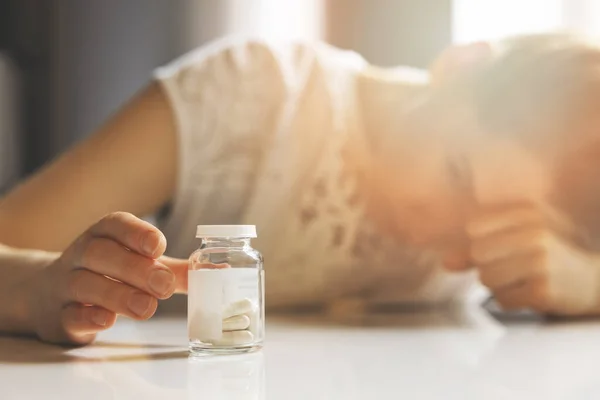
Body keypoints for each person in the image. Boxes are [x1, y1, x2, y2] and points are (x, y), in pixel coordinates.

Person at [0, 33, 599, 346]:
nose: (450, 258)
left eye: (487, 242)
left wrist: (590, 283)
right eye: (458, 177)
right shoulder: (256, 94)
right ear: (461, 67)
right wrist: (38, 291)